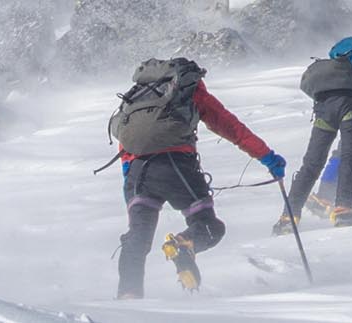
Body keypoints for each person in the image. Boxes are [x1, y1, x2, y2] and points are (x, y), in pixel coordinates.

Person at [105, 57, 285, 299]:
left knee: (137, 239)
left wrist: (130, 181)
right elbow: (231, 127)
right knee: (209, 226)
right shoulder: (189, 90)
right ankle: (183, 244)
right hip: (177, 168)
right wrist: (267, 157)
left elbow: (127, 141)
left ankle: (128, 299)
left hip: (138, 173)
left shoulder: (137, 96)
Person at [272, 36, 352, 236]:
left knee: (312, 162)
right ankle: (345, 208)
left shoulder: (344, 57)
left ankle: (289, 216)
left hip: (325, 105)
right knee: (350, 157)